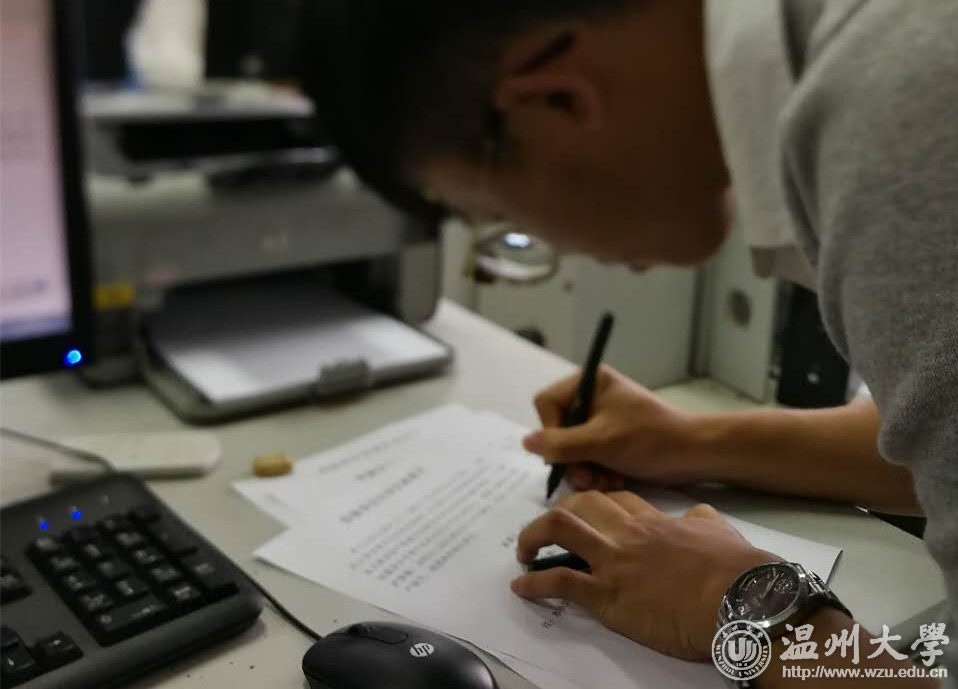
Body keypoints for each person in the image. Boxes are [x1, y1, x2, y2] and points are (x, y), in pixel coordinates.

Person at [298, 0, 957, 685]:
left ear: (558, 100)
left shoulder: (898, 126)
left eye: (497, 215)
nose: (553, 249)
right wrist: (691, 442)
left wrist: (748, 608)